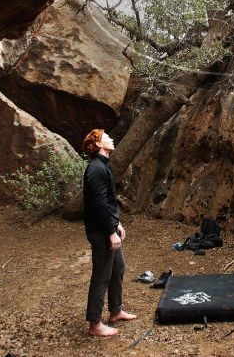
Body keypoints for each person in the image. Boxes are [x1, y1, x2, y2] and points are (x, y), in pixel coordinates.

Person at [81, 128, 137, 337]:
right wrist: (110, 232)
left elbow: (108, 202)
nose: (111, 138)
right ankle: (95, 324)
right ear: (97, 145)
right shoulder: (95, 168)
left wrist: (117, 224)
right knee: (102, 275)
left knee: (118, 268)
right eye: (106, 137)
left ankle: (115, 311)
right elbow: (99, 204)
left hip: (107, 228)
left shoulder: (103, 166)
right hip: (100, 232)